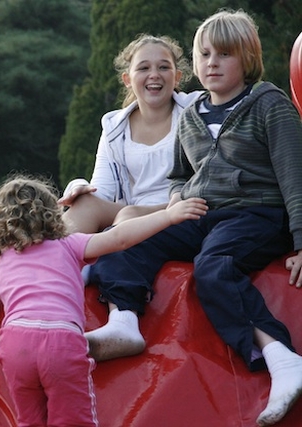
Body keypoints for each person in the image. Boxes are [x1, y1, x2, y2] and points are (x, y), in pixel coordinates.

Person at [86, 10, 302, 427]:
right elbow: (181, 175)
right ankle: (123, 321)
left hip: (257, 212)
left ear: (248, 60)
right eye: (204, 54)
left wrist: (301, 242)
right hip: (205, 213)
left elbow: (295, 178)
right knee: (128, 237)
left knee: (213, 267)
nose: (212, 63)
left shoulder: (269, 105)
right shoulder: (191, 114)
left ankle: (282, 357)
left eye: (224, 54)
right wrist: (177, 203)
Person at [0, 175, 207, 427]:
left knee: (30, 421)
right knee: (74, 420)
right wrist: (169, 217)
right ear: (52, 216)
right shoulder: (69, 244)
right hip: (61, 341)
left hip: (15, 344)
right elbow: (119, 237)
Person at [59, 34, 201, 234]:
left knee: (129, 216)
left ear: (177, 76)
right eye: (143, 68)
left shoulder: (197, 110)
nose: (154, 75)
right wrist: (79, 187)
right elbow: (103, 191)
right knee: (85, 204)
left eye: (163, 67)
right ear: (127, 79)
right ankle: (49, 260)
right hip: (131, 213)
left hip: (181, 207)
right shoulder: (114, 127)